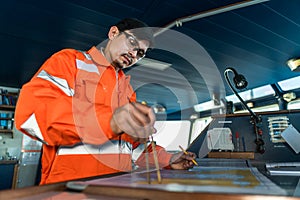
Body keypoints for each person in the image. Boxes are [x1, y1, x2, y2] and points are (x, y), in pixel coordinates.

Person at [15, 18, 196, 185]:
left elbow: (132, 147)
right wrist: (110, 121)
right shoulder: (70, 63)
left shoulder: (127, 92)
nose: (133, 53)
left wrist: (167, 159)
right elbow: (32, 114)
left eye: (140, 53)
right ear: (113, 33)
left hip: (116, 189)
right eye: (132, 42)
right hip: (70, 190)